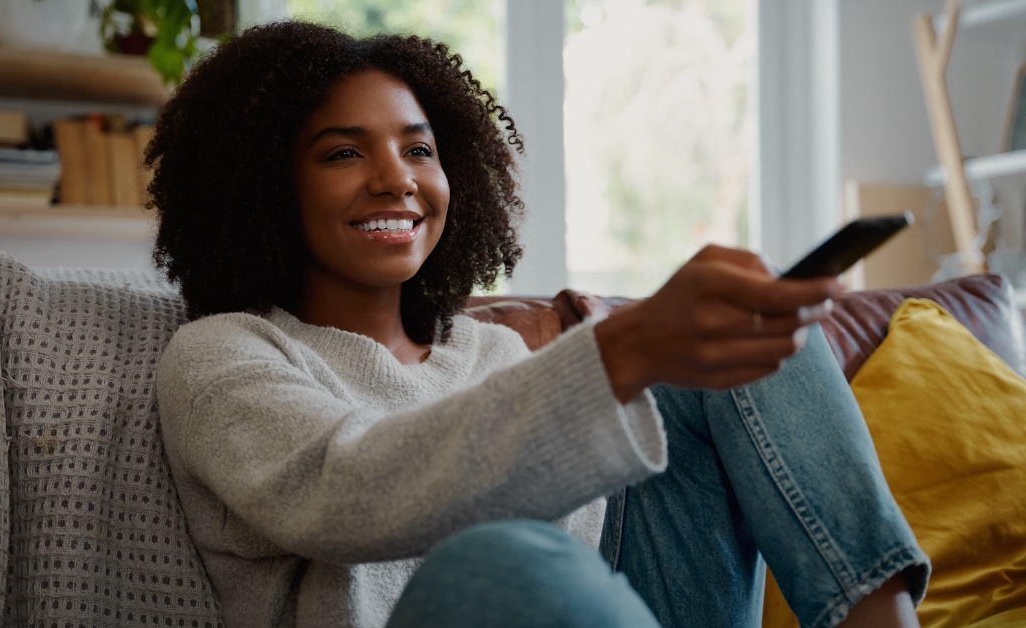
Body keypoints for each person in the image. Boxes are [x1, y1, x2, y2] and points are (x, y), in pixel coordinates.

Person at [148, 21, 929, 628]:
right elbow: (348, 489)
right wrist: (621, 348)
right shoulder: (223, 353)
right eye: (343, 153)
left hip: (602, 595)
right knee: (504, 552)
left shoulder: (488, 348)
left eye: (419, 149)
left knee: (756, 343)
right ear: (260, 188)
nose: (397, 179)